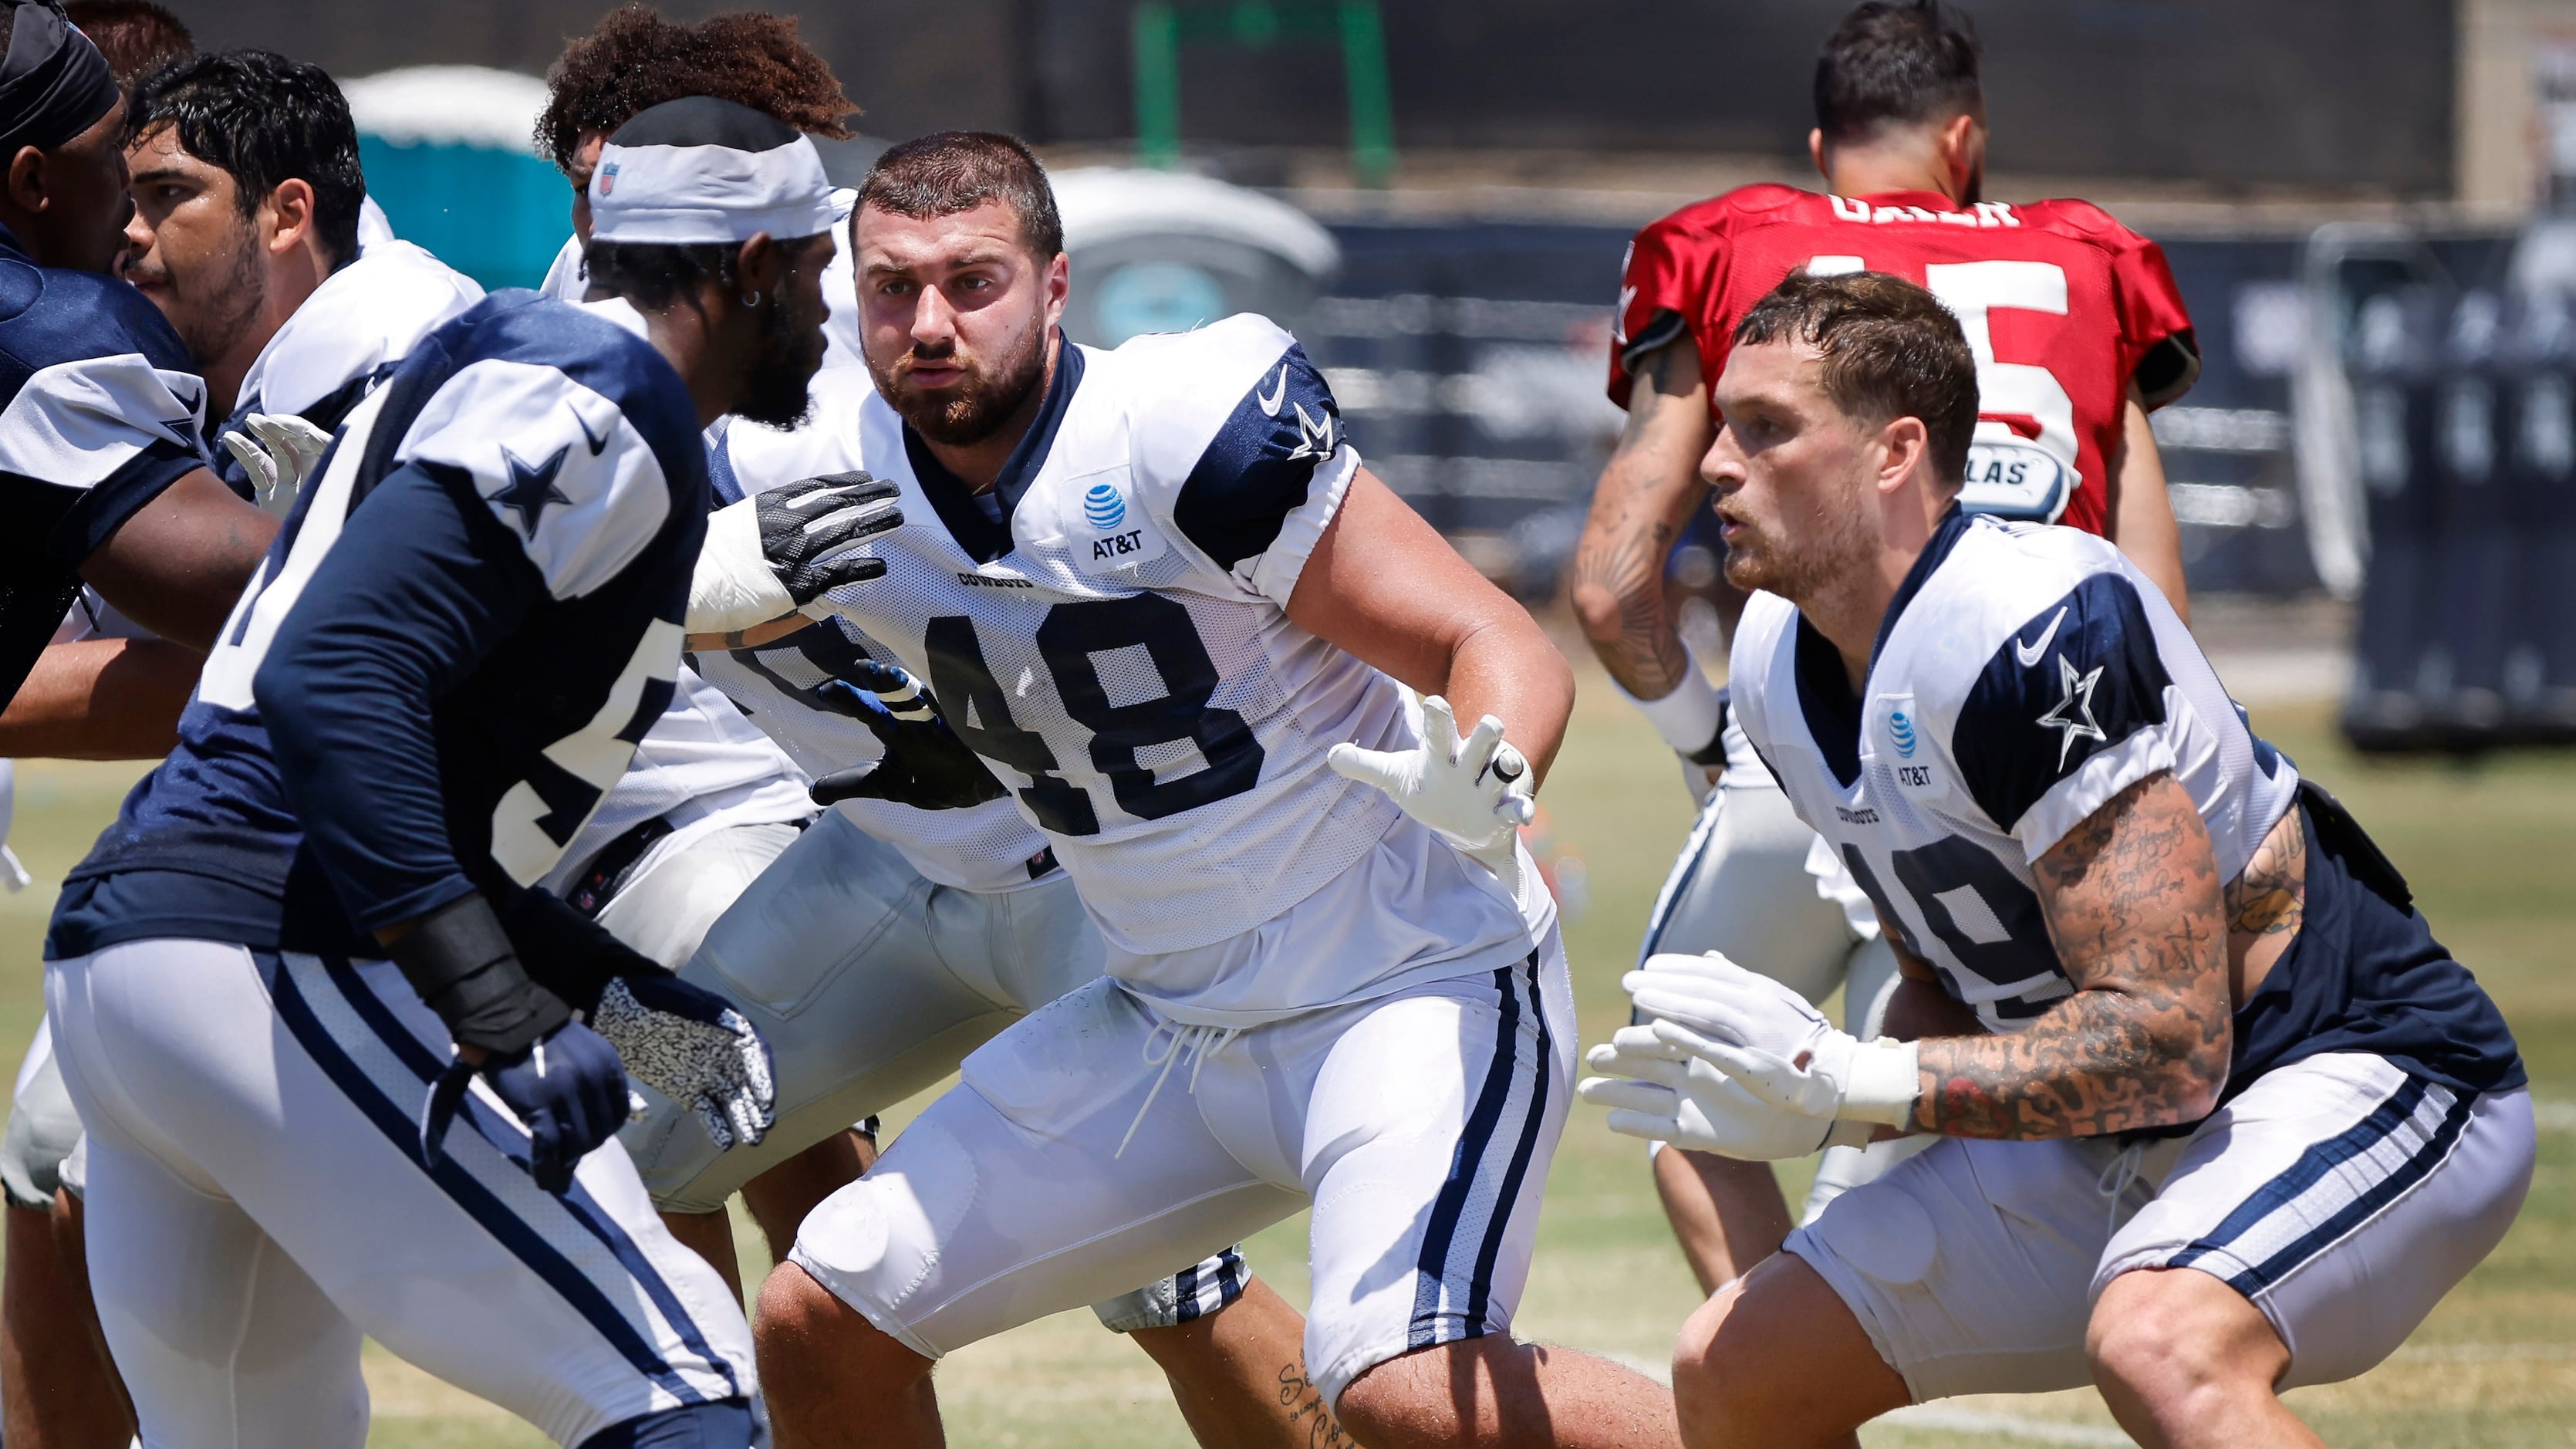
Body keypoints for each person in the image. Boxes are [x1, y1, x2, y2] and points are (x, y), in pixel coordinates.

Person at [744, 130, 1677, 1449]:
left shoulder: (1174, 430)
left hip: (1401, 981)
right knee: (818, 1319)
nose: (931, 322)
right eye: (893, 288)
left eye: (973, 280)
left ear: (1058, 286)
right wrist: (699, 581)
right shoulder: (830, 480)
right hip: (1161, 1016)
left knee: (1403, 1382)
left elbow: (1498, 644)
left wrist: (1495, 770)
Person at [1579, 269, 2534, 1448]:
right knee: (1737, 1363)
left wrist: (1857, 1084)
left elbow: (2173, 1044)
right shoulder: (1780, 654)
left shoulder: (2027, 630)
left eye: (1767, 429)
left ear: (1894, 455)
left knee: (2161, 1342)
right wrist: (1820, 1104)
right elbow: (1946, 968)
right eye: (1724, 423)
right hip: (2092, 1125)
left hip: (2338, 1061)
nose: (1717, 463)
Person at [38, 96, 864, 1446]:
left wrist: (624, 1005)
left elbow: (414, 796)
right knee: (680, 1387)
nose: (829, 324)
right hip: (269, 945)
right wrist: (504, 1010)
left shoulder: (537, 372)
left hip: (142, 959)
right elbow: (330, 683)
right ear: (754, 262)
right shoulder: (597, 392)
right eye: (820, 271)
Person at [1572, 0, 2202, 1292]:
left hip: (1816, 716)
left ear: (1823, 144)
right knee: (1909, 1089)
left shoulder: (1736, 245)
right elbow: (2156, 609)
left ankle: (1791, 1386)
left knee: (1689, 1086)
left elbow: (1612, 584)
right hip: (2039, 744)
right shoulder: (2091, 256)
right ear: (1962, 140)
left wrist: (1713, 743)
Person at [0, 6, 277, 1444]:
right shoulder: (51, 326)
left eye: (176, 185)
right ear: (38, 177)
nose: (133, 225)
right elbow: (238, 598)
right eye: (131, 169)